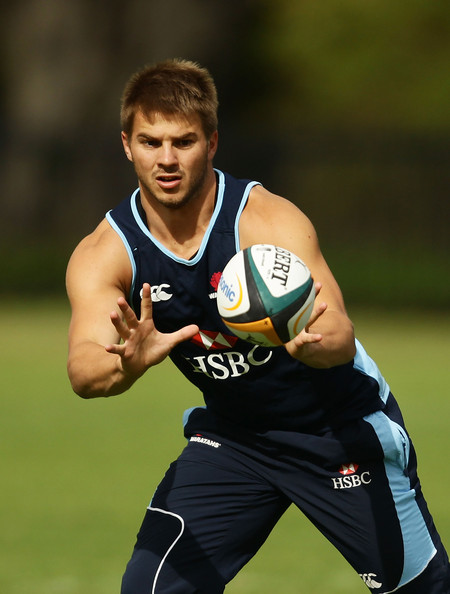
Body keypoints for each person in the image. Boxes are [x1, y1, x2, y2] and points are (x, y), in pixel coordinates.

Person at [66, 58, 450, 593]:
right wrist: (124, 366)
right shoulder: (106, 252)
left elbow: (340, 334)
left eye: (184, 142)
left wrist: (308, 343)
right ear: (127, 145)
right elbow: (84, 368)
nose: (167, 159)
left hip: (337, 432)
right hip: (236, 439)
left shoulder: (266, 221)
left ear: (212, 143)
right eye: (151, 142)